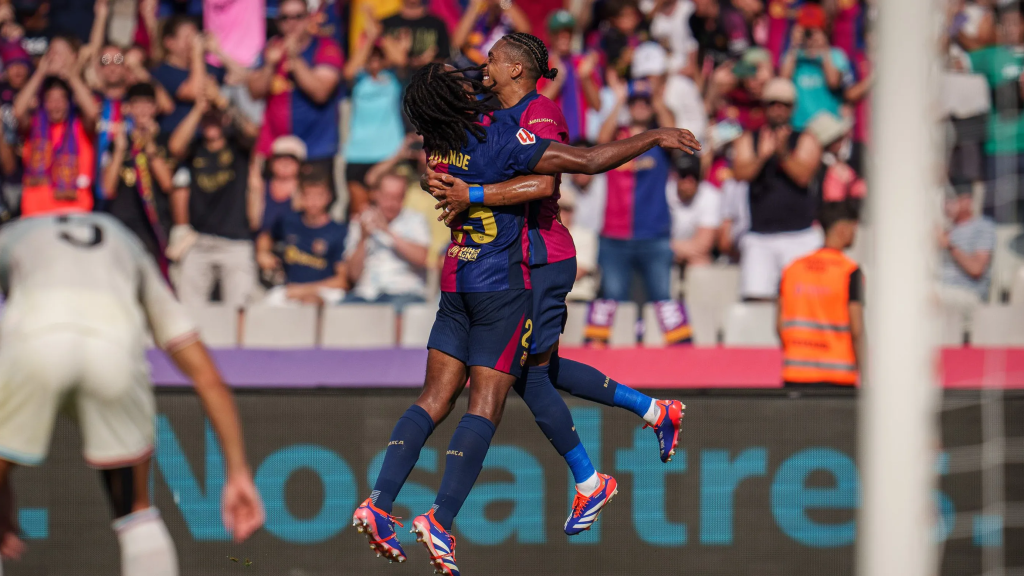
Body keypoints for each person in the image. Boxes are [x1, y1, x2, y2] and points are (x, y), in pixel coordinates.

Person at [357, 61, 699, 575]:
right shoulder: (498, 131)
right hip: (505, 278)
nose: (478, 69)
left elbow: (472, 152)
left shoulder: (438, 139)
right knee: (500, 394)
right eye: (466, 73)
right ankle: (450, 516)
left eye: (487, 62)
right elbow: (569, 169)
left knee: (457, 392)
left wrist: (465, 190)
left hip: (462, 275)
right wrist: (651, 136)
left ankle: (381, 502)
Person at [425, 34, 687, 476]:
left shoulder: (539, 110)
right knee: (532, 368)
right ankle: (653, 414)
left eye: (491, 58)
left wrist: (653, 136)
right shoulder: (493, 113)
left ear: (514, 69)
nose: (482, 66)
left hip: (542, 253)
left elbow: (572, 168)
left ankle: (591, 477)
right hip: (511, 259)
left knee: (529, 374)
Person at [0, 212, 264, 576]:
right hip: (114, 354)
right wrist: (238, 472)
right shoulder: (127, 242)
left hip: (31, 347)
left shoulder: (13, 234)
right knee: (136, 512)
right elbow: (206, 376)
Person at [584, 72, 692, 346]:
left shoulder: (660, 140)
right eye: (636, 101)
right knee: (614, 305)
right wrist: (619, 100)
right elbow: (599, 142)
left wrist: (655, 97)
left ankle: (671, 363)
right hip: (614, 236)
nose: (640, 106)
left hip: (654, 234)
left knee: (663, 302)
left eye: (645, 101)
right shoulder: (618, 139)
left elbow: (674, 131)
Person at [732, 77, 824, 300]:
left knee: (804, 299)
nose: (778, 109)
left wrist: (782, 154)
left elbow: (803, 176)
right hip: (760, 237)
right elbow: (740, 173)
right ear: (765, 106)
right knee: (756, 299)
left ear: (793, 107)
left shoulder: (806, 138)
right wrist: (763, 156)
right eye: (773, 103)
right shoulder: (749, 139)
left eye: (784, 104)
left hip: (800, 235)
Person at [166, 87, 255, 310]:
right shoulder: (195, 149)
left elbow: (253, 133)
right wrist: (198, 109)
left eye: (216, 118)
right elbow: (175, 146)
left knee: (240, 311)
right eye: (207, 119)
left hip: (235, 242)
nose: (211, 123)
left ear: (225, 120)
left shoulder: (239, 147)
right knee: (188, 310)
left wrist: (223, 104)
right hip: (199, 241)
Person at [248, 0, 344, 169]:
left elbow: (321, 92)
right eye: (285, 18)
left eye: (298, 16)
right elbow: (254, 93)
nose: (292, 23)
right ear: (278, 22)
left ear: (308, 18)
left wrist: (295, 59)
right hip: (278, 150)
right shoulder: (271, 49)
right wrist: (270, 66)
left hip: (316, 149)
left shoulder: (326, 47)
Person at [778, 200, 864, 387]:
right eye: (853, 228)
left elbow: (779, 325)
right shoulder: (850, 271)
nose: (855, 234)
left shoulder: (792, 269)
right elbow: (856, 329)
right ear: (842, 229)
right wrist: (865, 373)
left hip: (796, 374)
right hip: (838, 377)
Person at [13, 51, 99, 216]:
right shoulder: (34, 125)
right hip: (35, 213)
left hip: (75, 211)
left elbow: (93, 112)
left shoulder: (81, 126)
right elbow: (18, 111)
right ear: (43, 103)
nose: (56, 105)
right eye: (51, 100)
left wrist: (72, 76)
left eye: (61, 100)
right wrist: (40, 73)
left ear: (69, 103)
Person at [100, 83, 175, 272]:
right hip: (121, 224)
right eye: (137, 104)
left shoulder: (165, 140)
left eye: (148, 104)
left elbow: (167, 184)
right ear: (127, 109)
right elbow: (107, 188)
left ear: (155, 108)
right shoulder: (117, 143)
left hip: (153, 227)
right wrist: (119, 150)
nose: (142, 110)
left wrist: (149, 145)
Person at [257, 168, 348, 306]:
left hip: (324, 292)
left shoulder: (339, 230)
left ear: (328, 197)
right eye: (308, 196)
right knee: (262, 307)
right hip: (289, 290)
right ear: (300, 196)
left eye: (319, 196)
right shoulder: (288, 221)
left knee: (309, 304)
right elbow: (265, 236)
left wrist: (302, 291)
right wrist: (263, 253)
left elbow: (342, 281)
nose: (313, 202)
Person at [342, 16, 405, 215]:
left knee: (389, 213)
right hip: (358, 154)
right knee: (359, 214)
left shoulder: (393, 79)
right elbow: (348, 70)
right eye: (371, 57)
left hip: (388, 153)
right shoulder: (358, 80)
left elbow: (401, 59)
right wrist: (369, 39)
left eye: (379, 57)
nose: (375, 61)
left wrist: (380, 35)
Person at [968, 2, 1024, 222]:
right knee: (997, 219)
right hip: (999, 149)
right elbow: (956, 61)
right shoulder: (991, 56)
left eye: (1015, 23)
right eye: (1005, 24)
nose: (1010, 28)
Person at [343, 170, 430, 309]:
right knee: (342, 309)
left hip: (404, 294)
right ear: (376, 194)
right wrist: (363, 238)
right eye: (387, 197)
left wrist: (387, 231)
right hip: (366, 295)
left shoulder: (416, 220)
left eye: (398, 197)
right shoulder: (360, 222)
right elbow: (352, 275)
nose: (391, 203)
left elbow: (421, 258)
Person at [779, 4, 854, 131]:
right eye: (806, 30)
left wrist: (823, 49)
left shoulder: (835, 55)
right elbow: (783, 81)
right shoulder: (794, 56)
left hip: (828, 127)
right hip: (799, 125)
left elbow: (834, 82)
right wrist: (793, 45)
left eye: (814, 30)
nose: (809, 35)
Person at [151, 15, 226, 135]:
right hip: (176, 139)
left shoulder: (208, 67)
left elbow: (240, 79)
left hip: (206, 142)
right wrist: (197, 53)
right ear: (170, 43)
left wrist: (218, 51)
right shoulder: (162, 72)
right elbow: (195, 92)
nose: (193, 42)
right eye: (188, 37)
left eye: (195, 35)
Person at [538, 10, 601, 144]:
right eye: (558, 32)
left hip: (579, 141)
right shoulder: (540, 65)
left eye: (568, 32)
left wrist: (585, 78)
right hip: (550, 140)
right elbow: (535, 107)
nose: (564, 36)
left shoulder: (582, 63)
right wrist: (556, 82)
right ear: (550, 35)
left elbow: (597, 106)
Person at [938, 188, 997, 325]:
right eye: (946, 201)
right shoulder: (944, 228)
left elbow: (976, 269)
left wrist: (950, 246)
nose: (947, 205)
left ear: (967, 201)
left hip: (968, 293)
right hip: (937, 288)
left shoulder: (983, 226)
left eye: (953, 200)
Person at [669, 152, 721, 268]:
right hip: (663, 255)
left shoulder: (710, 195)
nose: (689, 180)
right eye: (684, 175)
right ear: (675, 175)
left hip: (684, 253)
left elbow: (704, 245)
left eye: (694, 175)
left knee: (702, 261)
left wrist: (669, 248)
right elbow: (651, 240)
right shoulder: (662, 192)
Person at [380, 0, 451, 71]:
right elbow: (376, 62)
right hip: (392, 80)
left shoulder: (438, 24)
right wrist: (400, 60)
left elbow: (444, 59)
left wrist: (422, 63)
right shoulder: (385, 24)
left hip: (427, 79)